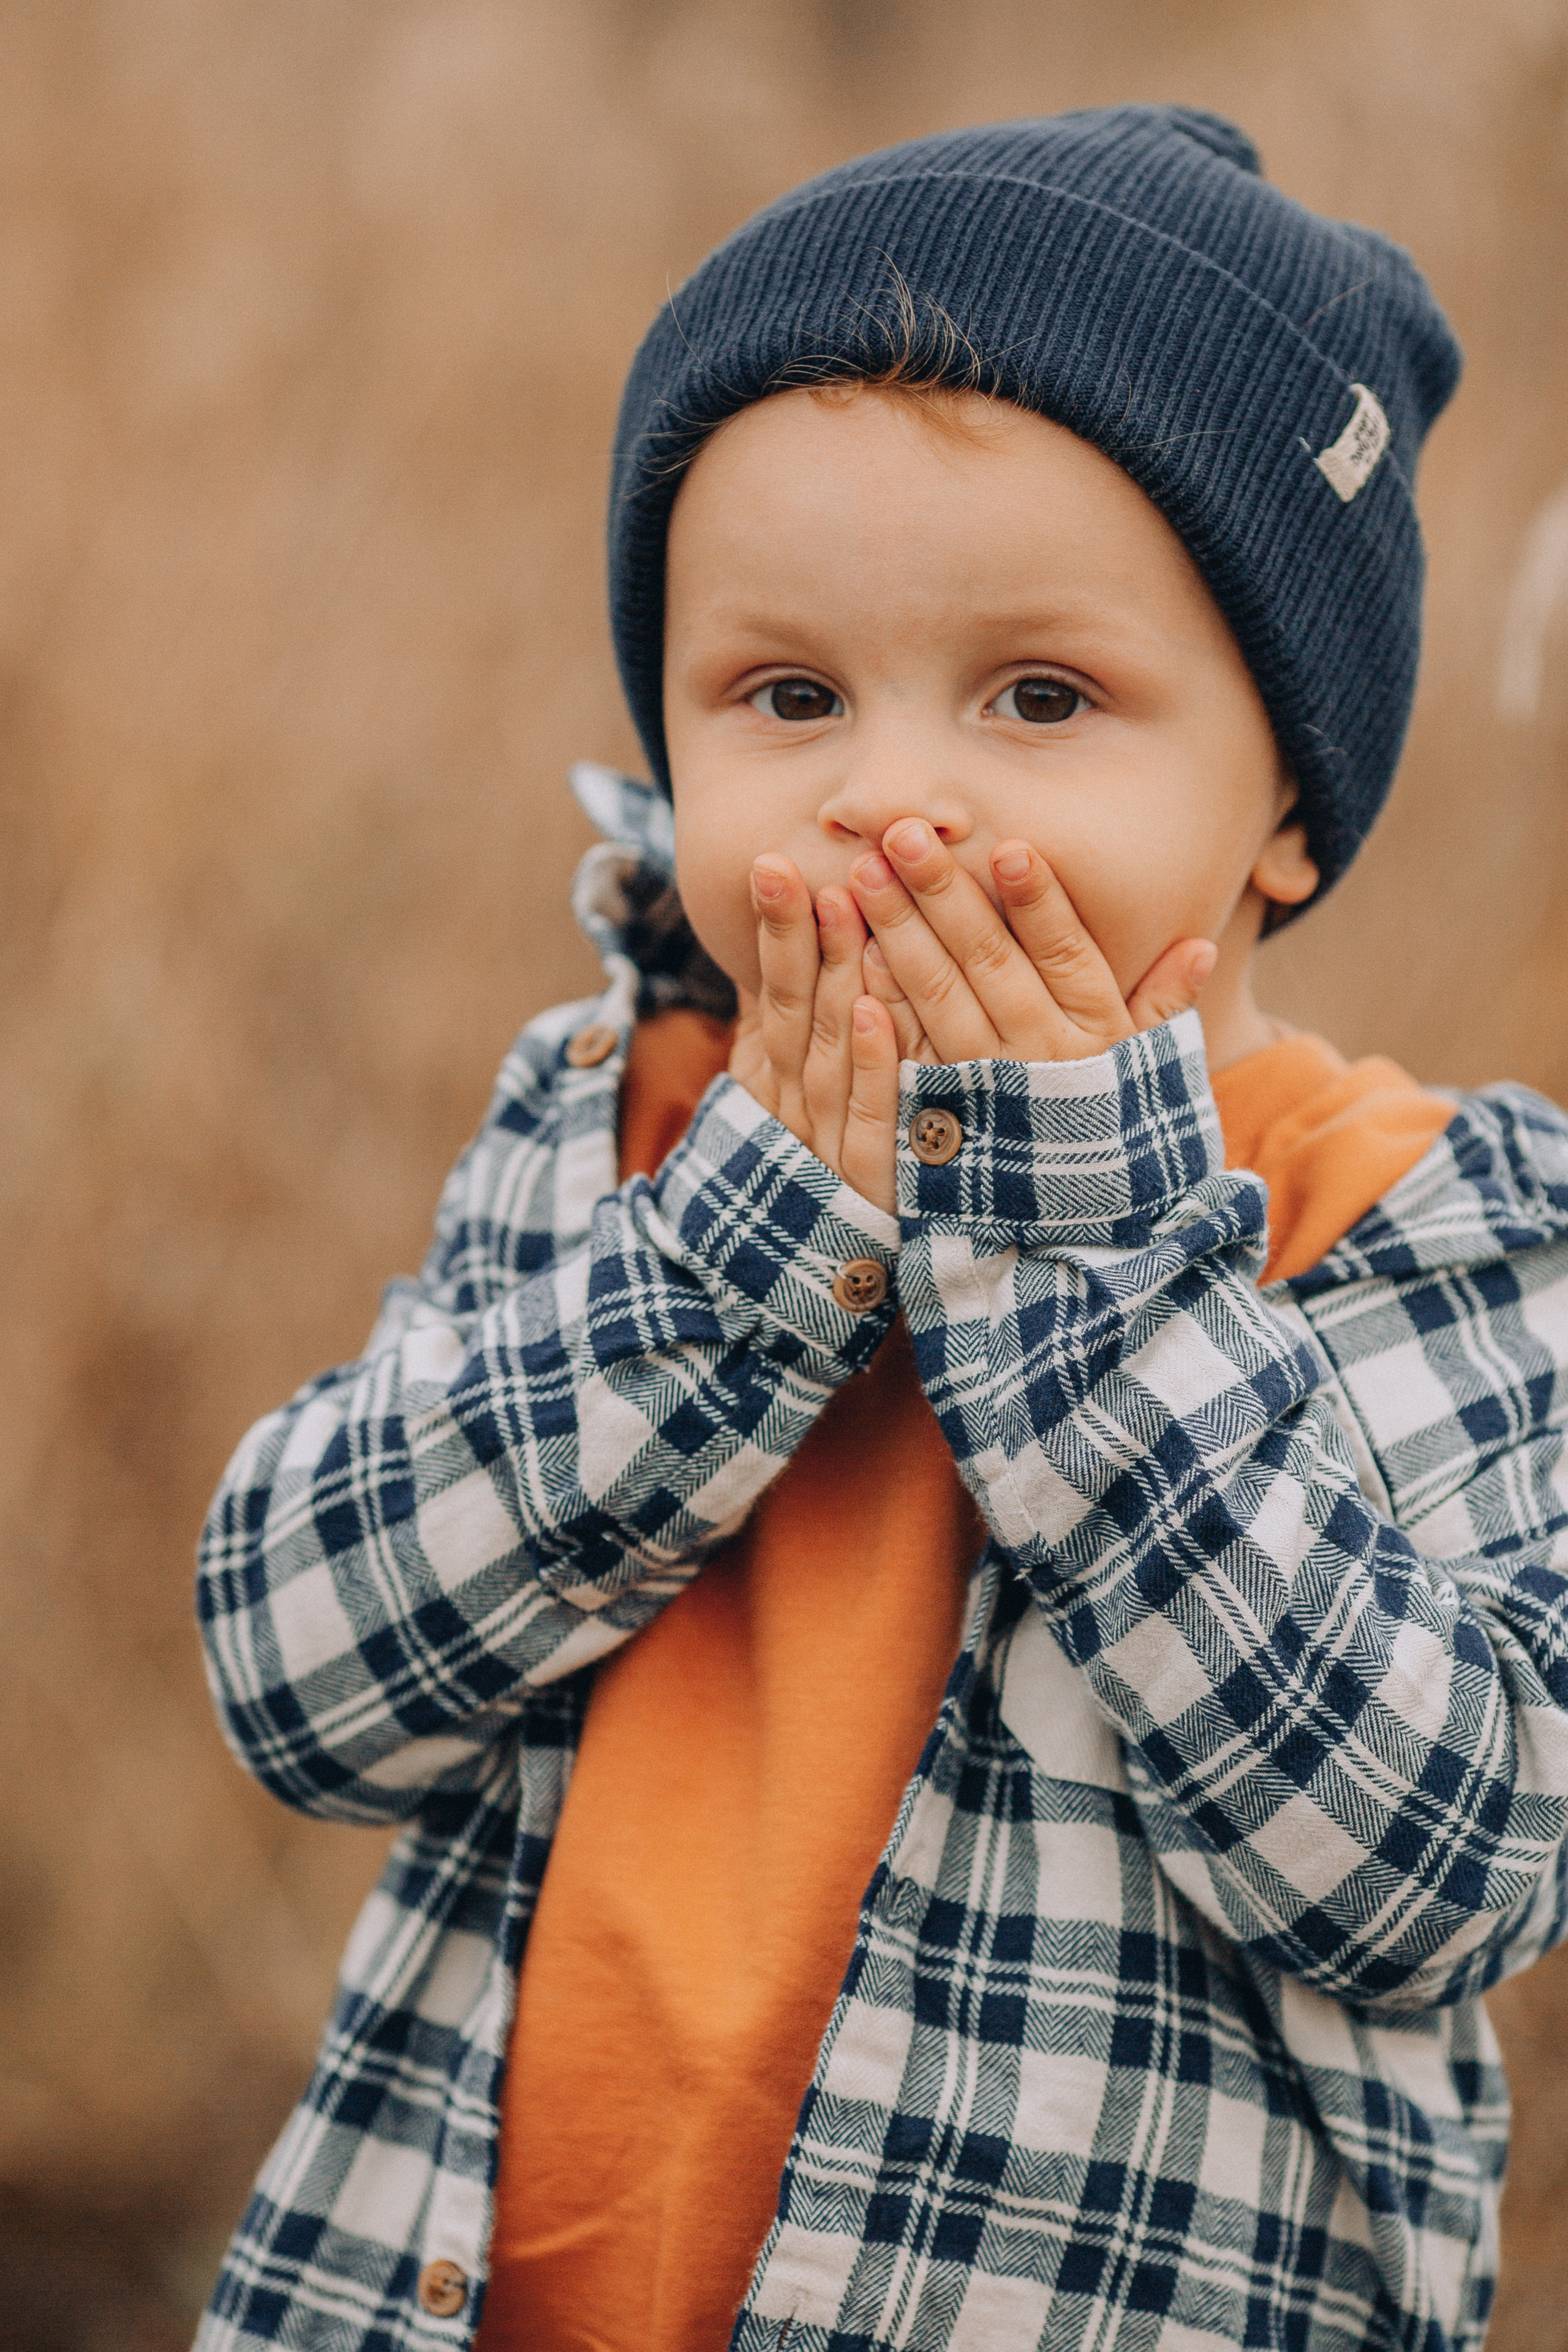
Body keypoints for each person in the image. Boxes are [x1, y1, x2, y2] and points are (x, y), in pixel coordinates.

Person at [192, 108, 1568, 2352]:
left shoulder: (1425, 1219)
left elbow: (1435, 1868)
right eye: (789, 697)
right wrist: (753, 1230)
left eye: (1042, 699)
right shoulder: (615, 1132)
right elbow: (300, 1679)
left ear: (1286, 813)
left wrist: (1076, 1244)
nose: (887, 797)